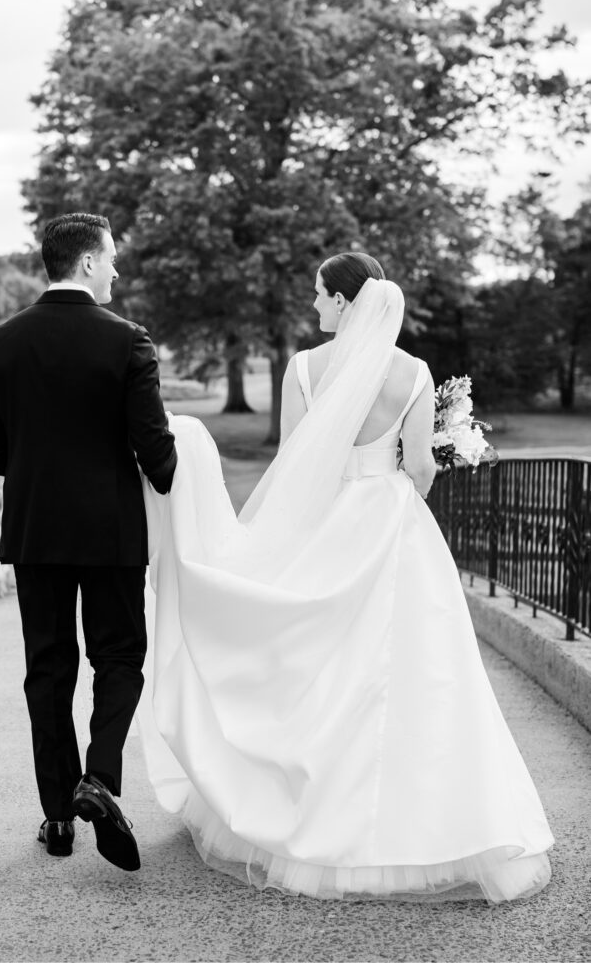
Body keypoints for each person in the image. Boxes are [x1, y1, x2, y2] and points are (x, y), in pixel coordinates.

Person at [137, 251, 553, 903]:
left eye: (318, 295)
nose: (313, 306)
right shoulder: (413, 373)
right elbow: (418, 468)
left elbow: (297, 462)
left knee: (317, 668)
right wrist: (409, 475)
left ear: (341, 301)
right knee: (417, 674)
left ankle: (303, 810)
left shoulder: (304, 369)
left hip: (325, 524)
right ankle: (428, 828)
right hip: (392, 526)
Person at [0, 212, 176, 871]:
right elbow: (159, 459)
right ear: (87, 262)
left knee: (48, 669)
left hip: (35, 530)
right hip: (112, 531)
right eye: (111, 258)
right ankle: (99, 778)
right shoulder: (127, 342)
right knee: (119, 658)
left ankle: (58, 816)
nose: (116, 269)